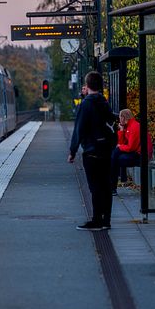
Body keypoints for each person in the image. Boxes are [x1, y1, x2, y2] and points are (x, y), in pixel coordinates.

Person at [68, 71, 114, 231]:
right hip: (107, 150)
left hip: (91, 151)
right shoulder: (104, 102)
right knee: (106, 186)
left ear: (87, 86)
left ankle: (96, 220)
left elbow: (78, 130)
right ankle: (106, 220)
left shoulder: (85, 105)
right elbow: (110, 120)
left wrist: (72, 151)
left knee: (95, 187)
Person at [110, 109, 148, 195]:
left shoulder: (134, 126)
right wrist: (122, 130)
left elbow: (131, 147)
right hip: (135, 152)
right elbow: (122, 143)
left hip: (140, 155)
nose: (119, 119)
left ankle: (113, 187)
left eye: (120, 117)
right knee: (115, 156)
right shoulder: (129, 126)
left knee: (115, 158)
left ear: (123, 117)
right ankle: (113, 187)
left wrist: (119, 147)